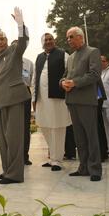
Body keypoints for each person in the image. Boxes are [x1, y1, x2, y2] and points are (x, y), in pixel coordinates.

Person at [0, 7, 30, 184]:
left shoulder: (14, 51)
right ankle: (7, 170)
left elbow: (22, 43)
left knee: (14, 138)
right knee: (3, 140)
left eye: (2, 39)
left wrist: (20, 25)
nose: (0, 42)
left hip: (14, 99)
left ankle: (15, 174)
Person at [61, 27, 102, 182]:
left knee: (91, 136)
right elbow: (64, 76)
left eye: (71, 37)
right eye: (67, 38)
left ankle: (95, 169)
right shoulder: (70, 57)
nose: (69, 40)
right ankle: (83, 167)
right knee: (79, 138)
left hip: (86, 101)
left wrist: (74, 83)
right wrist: (62, 83)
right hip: (72, 100)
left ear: (80, 36)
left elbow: (94, 75)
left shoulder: (93, 52)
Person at [32, 33, 71, 171]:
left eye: (50, 39)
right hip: (42, 99)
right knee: (45, 127)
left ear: (54, 41)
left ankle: (57, 160)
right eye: (45, 40)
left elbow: (69, 71)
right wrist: (34, 98)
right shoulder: (39, 57)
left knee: (58, 128)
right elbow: (35, 78)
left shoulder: (63, 54)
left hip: (57, 98)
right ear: (42, 43)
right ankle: (52, 157)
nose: (48, 42)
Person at [11, 39, 34, 165]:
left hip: (25, 94)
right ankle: (13, 157)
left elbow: (31, 81)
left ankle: (25, 156)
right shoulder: (6, 62)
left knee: (25, 127)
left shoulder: (29, 63)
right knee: (12, 127)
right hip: (11, 95)